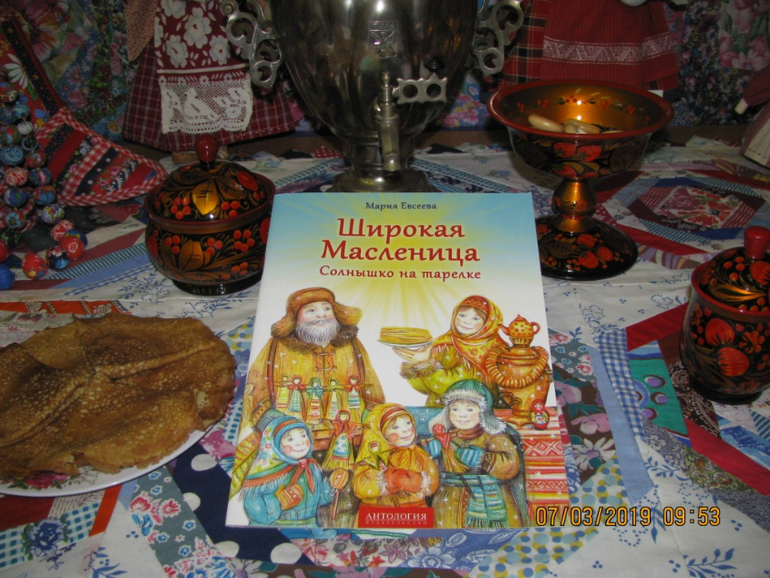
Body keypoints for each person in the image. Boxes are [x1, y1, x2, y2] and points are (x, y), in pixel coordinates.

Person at [232, 287, 384, 496]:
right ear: (295, 316)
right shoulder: (278, 346)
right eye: (311, 310)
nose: (321, 315)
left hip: (350, 439)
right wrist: (277, 425)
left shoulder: (351, 343)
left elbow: (371, 386)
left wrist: (374, 418)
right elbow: (256, 390)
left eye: (326, 308)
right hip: (294, 444)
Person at [425, 379, 525, 529]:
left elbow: (511, 465)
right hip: (449, 500)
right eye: (455, 409)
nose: (461, 415)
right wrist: (430, 455)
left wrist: (483, 459)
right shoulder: (445, 438)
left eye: (469, 409)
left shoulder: (493, 437)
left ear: (482, 411)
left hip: (489, 499)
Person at [394, 295, 506, 406]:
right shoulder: (444, 343)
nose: (466, 321)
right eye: (462, 315)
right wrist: (416, 365)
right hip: (437, 409)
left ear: (488, 324)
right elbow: (424, 388)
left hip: (471, 413)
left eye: (476, 318)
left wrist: (424, 363)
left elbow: (454, 387)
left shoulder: (494, 350)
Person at [239, 415, 348, 527]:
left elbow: (320, 498)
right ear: (275, 444)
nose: (300, 443)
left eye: (303, 435)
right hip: (278, 527)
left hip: (309, 526)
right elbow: (255, 511)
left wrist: (331, 484)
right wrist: (279, 502)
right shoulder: (264, 474)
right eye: (290, 439)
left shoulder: (311, 467)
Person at [352, 404, 439, 522]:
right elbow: (360, 487)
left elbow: (433, 479)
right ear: (380, 432)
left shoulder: (419, 454)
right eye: (395, 427)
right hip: (377, 515)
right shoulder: (372, 456)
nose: (406, 429)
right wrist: (388, 480)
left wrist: (421, 482)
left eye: (408, 423)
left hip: (414, 514)